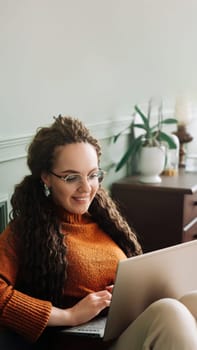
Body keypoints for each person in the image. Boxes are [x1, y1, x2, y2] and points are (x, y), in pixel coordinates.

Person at [0, 115, 197, 350]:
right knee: (170, 312)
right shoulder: (25, 231)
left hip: (119, 330)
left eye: (93, 175)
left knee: (193, 300)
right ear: (46, 177)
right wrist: (69, 315)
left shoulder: (104, 220)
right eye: (71, 177)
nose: (86, 188)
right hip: (81, 344)